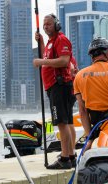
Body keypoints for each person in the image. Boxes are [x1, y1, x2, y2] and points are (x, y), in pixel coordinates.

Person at [33, 14, 75, 169]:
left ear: (56, 24)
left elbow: (64, 60)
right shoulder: (51, 42)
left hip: (60, 86)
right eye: (44, 24)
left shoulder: (61, 39)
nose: (45, 27)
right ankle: (70, 156)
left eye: (49, 24)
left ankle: (64, 159)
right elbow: (46, 55)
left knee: (62, 123)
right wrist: (42, 42)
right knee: (64, 122)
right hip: (53, 87)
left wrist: (41, 62)